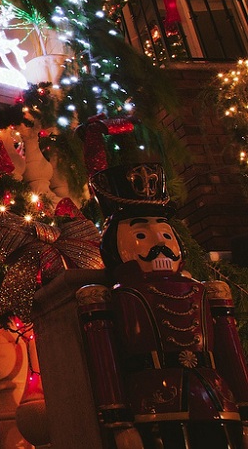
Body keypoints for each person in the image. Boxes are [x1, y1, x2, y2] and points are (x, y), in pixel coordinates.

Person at [75, 135, 248, 448]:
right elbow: (106, 362)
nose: (158, 241)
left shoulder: (208, 291)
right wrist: (118, 422)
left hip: (218, 401)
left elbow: (230, 351)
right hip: (153, 403)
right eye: (141, 233)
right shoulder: (106, 297)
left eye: (165, 232)